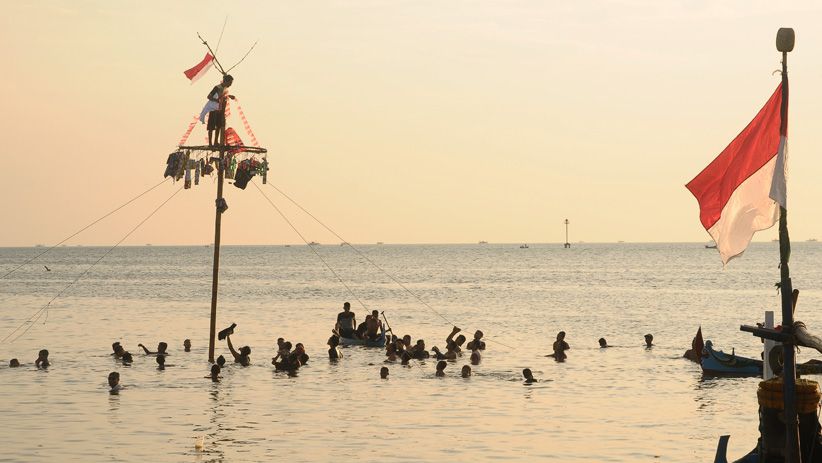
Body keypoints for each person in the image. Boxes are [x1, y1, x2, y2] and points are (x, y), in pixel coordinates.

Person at [206, 74, 234, 146]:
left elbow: (223, 96)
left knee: (218, 126)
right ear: (226, 81)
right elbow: (209, 96)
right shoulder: (217, 87)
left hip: (220, 110)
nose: (230, 85)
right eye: (230, 83)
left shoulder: (225, 89)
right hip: (214, 109)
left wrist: (229, 96)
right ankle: (210, 143)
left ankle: (215, 142)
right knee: (211, 127)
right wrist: (216, 100)